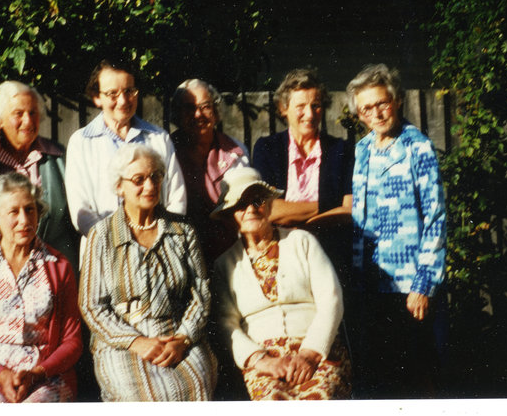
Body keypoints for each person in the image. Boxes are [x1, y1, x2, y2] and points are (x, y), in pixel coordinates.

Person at [78, 144, 216, 401]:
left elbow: (202, 293)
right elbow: (92, 306)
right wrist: (136, 342)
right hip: (122, 342)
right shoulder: (102, 235)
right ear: (119, 186)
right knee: (141, 398)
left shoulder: (182, 230)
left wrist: (183, 339)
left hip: (177, 335)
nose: (150, 186)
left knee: (197, 386)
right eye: (139, 180)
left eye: (156, 176)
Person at [345, 63, 446, 398]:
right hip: (370, 284)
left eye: (382, 103)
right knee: (379, 375)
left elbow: (435, 218)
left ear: (397, 100)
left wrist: (424, 283)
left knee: (417, 376)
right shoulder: (362, 150)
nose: (376, 112)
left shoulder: (418, 148)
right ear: (359, 113)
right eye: (367, 108)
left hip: (408, 287)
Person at [211, 166, 351, 400]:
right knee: (272, 401)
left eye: (257, 200)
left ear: (269, 204)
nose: (251, 209)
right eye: (241, 204)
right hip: (265, 359)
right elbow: (227, 325)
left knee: (319, 399)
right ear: (230, 215)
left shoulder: (302, 241)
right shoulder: (224, 264)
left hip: (318, 350)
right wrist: (261, 361)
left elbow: (331, 300)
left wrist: (310, 353)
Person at [0, 172, 83, 403]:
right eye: (14, 211)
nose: (24, 220)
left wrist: (37, 374)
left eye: (30, 209)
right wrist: (1, 375)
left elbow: (72, 342)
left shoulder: (59, 266)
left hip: (45, 372)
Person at [0, 81, 79, 271]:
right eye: (18, 114)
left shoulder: (59, 157)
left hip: (55, 271)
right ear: (0, 119)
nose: (28, 121)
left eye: (33, 113)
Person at [251, 68, 354, 284]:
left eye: (315, 106)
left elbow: (348, 210)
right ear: (283, 108)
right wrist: (328, 206)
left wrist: (297, 220)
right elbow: (269, 210)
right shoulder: (267, 149)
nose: (309, 114)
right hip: (279, 257)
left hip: (329, 257)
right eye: (301, 106)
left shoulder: (341, 150)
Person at [66, 59, 187, 238]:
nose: (123, 101)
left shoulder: (158, 138)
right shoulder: (81, 143)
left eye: (129, 91)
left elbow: (177, 199)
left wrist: (157, 238)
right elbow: (81, 210)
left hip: (158, 245)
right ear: (97, 98)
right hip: (102, 248)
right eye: (112, 94)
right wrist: (114, 243)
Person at [169, 79, 250, 266]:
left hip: (230, 251)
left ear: (215, 111)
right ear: (178, 114)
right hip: (182, 253)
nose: (198, 114)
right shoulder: (168, 151)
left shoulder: (235, 152)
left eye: (205, 107)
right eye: (189, 108)